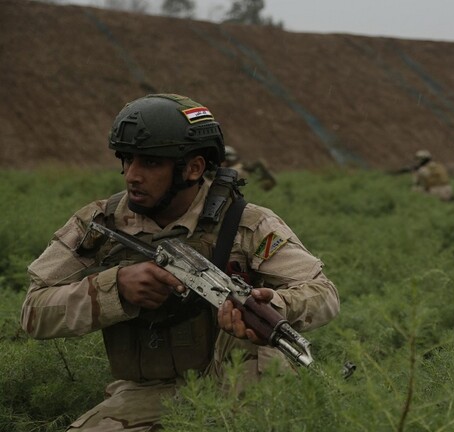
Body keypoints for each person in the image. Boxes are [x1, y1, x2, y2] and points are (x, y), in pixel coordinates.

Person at [20, 94, 340, 431]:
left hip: (245, 383)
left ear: (194, 168)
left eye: (150, 163)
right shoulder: (99, 223)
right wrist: (115, 288)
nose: (132, 175)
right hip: (149, 393)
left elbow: (324, 294)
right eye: (127, 159)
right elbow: (33, 312)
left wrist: (274, 304)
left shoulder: (248, 224)